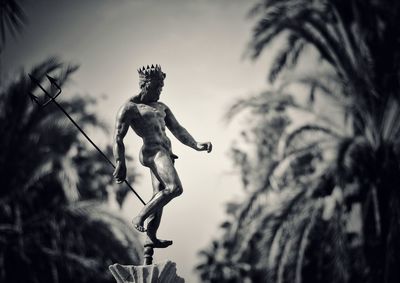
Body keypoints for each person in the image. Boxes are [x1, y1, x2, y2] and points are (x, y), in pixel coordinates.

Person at [113, 64, 212, 248]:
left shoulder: (161, 107)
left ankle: (151, 236)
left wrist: (196, 145)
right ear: (146, 85)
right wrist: (120, 162)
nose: (160, 91)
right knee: (174, 188)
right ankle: (140, 217)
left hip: (166, 153)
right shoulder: (130, 108)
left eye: (162, 87)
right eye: (157, 87)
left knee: (159, 195)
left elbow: (178, 129)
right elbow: (118, 137)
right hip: (152, 152)